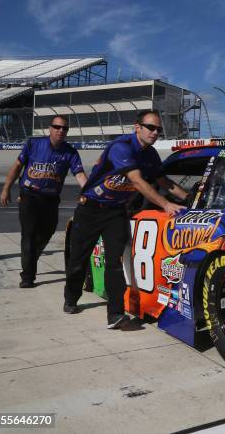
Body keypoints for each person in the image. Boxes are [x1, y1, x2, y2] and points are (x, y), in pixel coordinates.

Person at [64, 110, 189, 329]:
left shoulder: (150, 155)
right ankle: (71, 298)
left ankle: (115, 314)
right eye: (151, 127)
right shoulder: (121, 146)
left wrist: (190, 199)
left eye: (158, 129)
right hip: (91, 208)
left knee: (114, 263)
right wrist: (166, 204)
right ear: (137, 127)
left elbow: (164, 182)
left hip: (115, 212)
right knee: (78, 260)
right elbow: (138, 182)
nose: (155, 132)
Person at [0, 115, 87, 288]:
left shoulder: (70, 152)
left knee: (48, 231)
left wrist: (88, 192)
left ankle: (31, 257)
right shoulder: (34, 144)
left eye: (64, 128)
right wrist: (6, 188)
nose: (60, 131)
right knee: (29, 235)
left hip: (51, 198)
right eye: (57, 127)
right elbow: (17, 166)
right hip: (29, 195)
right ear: (50, 128)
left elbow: (80, 175)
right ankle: (27, 277)